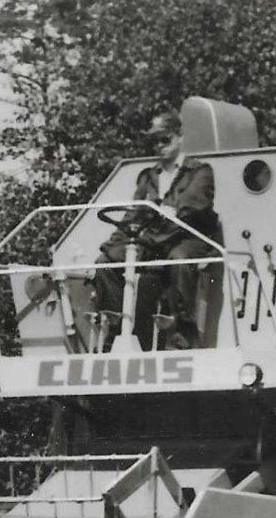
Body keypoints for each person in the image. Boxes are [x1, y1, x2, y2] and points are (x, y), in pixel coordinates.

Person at [95, 111, 224, 349]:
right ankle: (117, 331)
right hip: (153, 240)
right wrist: (116, 242)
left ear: (179, 137)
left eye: (165, 139)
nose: (159, 146)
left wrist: (159, 220)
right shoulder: (148, 177)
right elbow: (134, 214)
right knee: (105, 262)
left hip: (187, 238)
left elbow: (190, 210)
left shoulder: (199, 172)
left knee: (179, 261)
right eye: (154, 141)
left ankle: (183, 335)